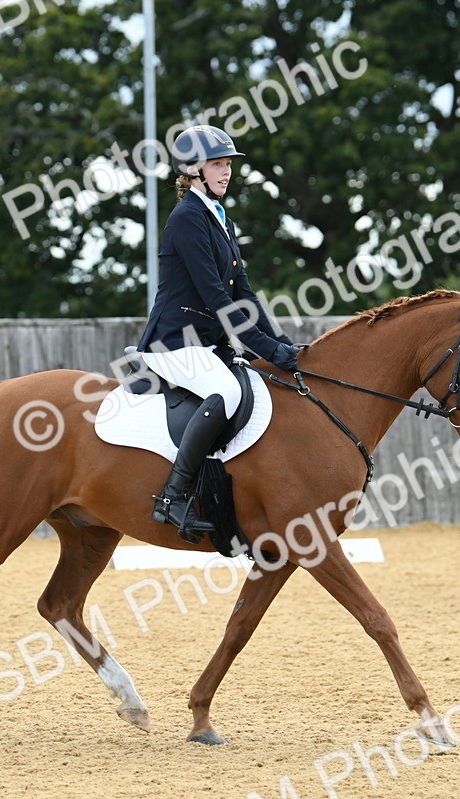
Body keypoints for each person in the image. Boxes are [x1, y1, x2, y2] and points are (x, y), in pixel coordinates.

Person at [136, 124, 301, 542]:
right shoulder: (187, 218)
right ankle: (172, 497)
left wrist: (277, 342)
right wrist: (261, 346)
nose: (226, 172)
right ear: (193, 170)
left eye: (228, 164)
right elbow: (215, 297)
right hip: (174, 340)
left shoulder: (220, 219)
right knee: (225, 393)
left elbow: (243, 292)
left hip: (207, 342)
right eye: (218, 165)